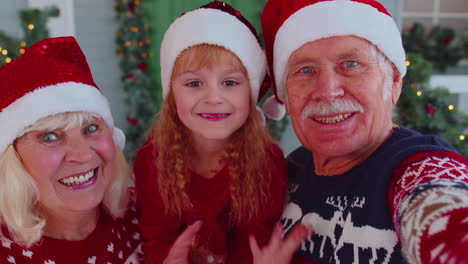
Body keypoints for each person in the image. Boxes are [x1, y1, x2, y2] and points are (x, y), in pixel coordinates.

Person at [257, 0, 468, 263]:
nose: (327, 91)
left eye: (351, 64)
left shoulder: (419, 167)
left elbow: (446, 215)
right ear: (286, 97)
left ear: (393, 83)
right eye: (306, 70)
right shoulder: (288, 170)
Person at [132, 1, 294, 263]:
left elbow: (253, 246)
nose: (213, 97)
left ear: (250, 93)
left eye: (230, 82)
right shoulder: (152, 161)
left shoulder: (268, 162)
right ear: (172, 95)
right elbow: (159, 241)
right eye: (194, 83)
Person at [0, 36, 143, 263]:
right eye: (50, 137)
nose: (83, 154)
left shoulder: (147, 214)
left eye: (91, 128)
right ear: (13, 158)